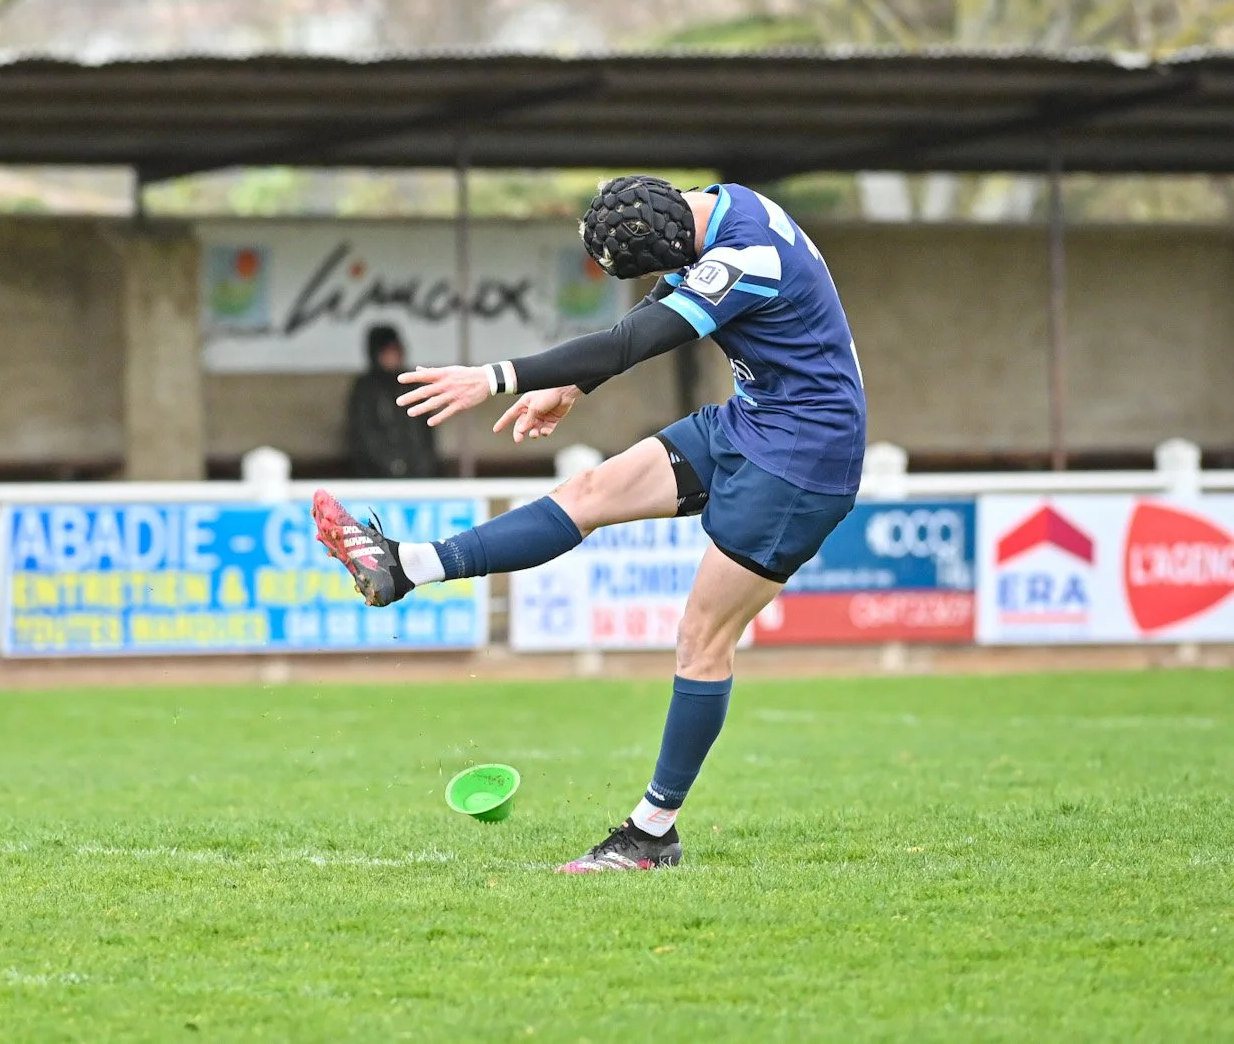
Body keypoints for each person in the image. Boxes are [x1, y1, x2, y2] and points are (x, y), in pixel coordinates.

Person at [311, 176, 865, 872]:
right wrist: (571, 383)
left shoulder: (746, 257)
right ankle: (405, 565)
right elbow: (661, 304)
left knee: (703, 637)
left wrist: (495, 376)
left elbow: (633, 339)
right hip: (754, 421)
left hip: (803, 456)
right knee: (591, 489)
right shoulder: (716, 205)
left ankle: (652, 833)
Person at [344, 324, 441, 479]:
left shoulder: (412, 383)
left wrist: (425, 464)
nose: (394, 355)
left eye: (397, 349)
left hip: (418, 476)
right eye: (388, 350)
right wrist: (392, 463)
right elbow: (364, 434)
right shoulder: (366, 388)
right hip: (376, 478)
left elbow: (426, 431)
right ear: (377, 353)